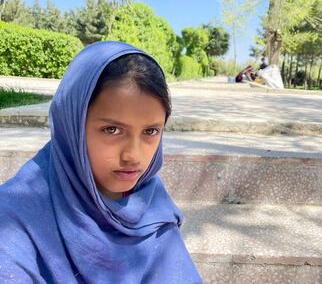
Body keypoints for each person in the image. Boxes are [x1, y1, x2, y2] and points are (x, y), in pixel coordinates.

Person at [0, 41, 202, 283]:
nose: (133, 156)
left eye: (150, 132)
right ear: (72, 126)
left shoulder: (153, 208)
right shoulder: (15, 219)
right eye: (112, 129)